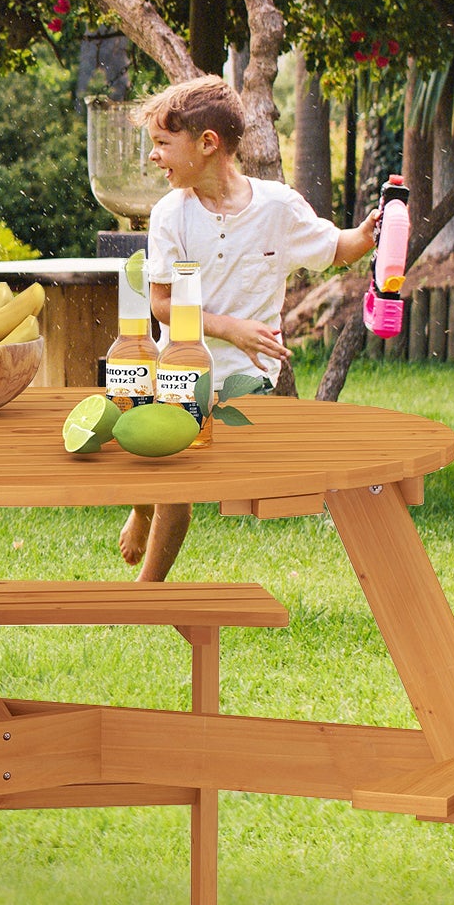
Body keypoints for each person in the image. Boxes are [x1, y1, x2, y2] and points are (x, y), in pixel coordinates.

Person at [118, 75, 381, 581]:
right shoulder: (171, 214)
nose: (153, 156)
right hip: (182, 368)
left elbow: (335, 249)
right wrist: (229, 328)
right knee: (166, 467)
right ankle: (143, 524)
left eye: (163, 144)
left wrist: (368, 234)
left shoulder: (277, 207)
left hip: (248, 378)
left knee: (178, 477)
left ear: (207, 143)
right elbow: (162, 303)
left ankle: (144, 582)